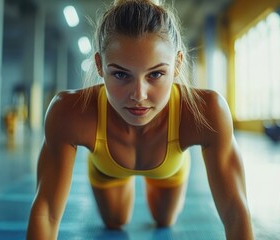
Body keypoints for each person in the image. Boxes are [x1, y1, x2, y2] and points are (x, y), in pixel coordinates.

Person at [26, 0, 254, 239]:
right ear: (99, 65)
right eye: (121, 74)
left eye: (155, 74)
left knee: (164, 219)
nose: (139, 95)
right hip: (107, 168)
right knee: (115, 221)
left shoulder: (207, 112)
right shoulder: (68, 112)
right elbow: (47, 211)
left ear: (177, 64)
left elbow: (235, 212)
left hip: (169, 169)